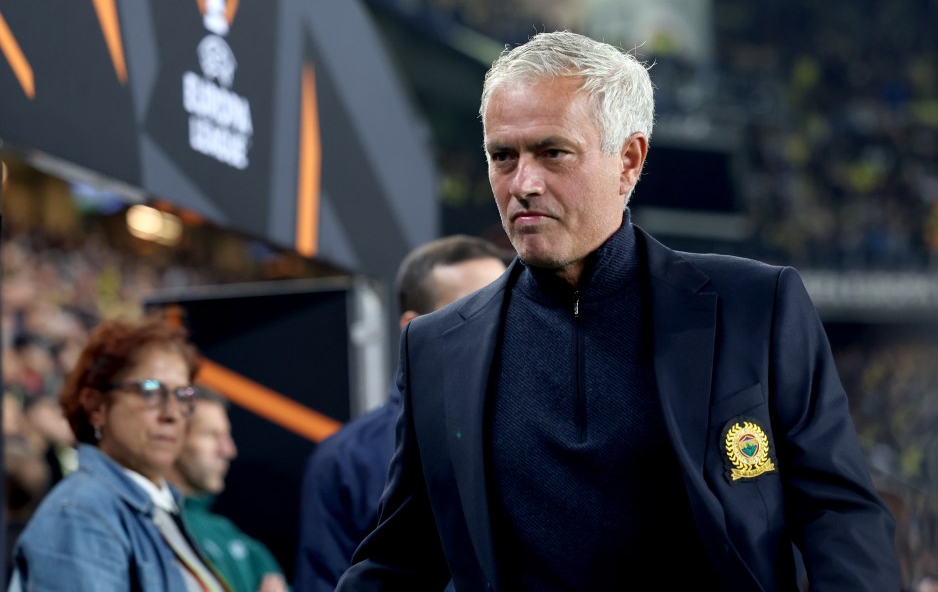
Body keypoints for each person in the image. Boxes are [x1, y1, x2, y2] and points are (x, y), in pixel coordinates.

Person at [336, 31, 900, 591]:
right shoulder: (437, 348)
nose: (522, 184)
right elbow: (398, 561)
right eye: (502, 156)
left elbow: (838, 513)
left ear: (628, 160)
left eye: (553, 152)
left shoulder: (755, 306)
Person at [295, 235, 508, 591]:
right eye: (473, 310)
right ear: (414, 326)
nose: (497, 325)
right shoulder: (345, 460)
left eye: (505, 307)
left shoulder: (540, 424)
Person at [9, 313, 228, 591]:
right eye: (150, 391)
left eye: (183, 395)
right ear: (97, 406)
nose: (172, 413)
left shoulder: (158, 505)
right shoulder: (81, 514)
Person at [167, 387, 288, 592]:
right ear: (169, 438)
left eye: (227, 436)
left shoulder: (235, 537)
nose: (228, 450)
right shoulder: (149, 527)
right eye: (211, 435)